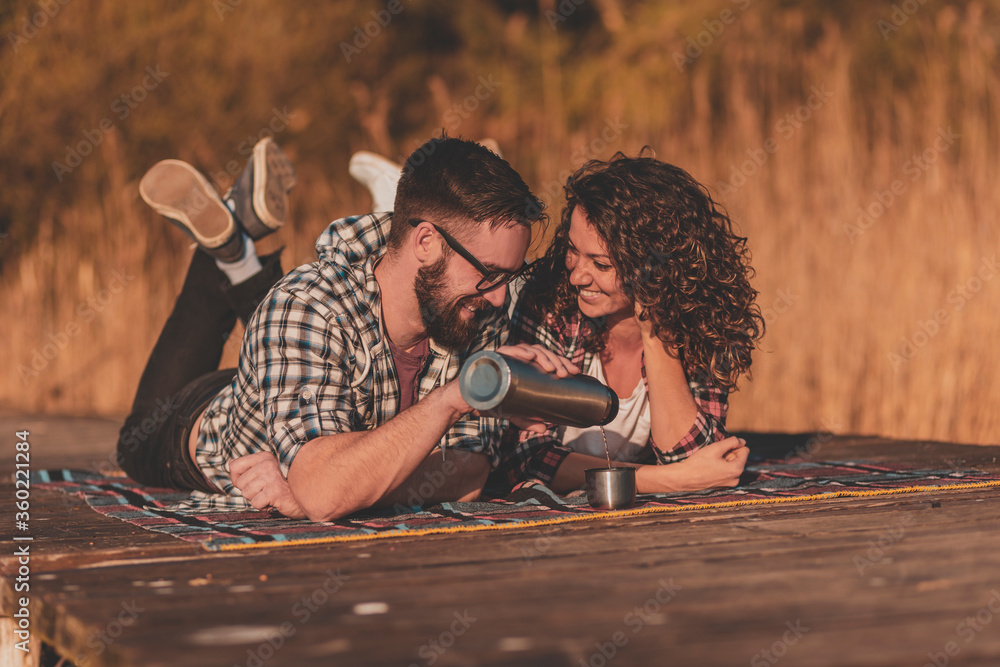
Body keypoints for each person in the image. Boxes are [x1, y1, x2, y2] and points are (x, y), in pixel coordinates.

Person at [117, 135, 569, 522]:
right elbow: (328, 493)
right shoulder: (306, 303)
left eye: (508, 276)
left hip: (295, 380)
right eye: (489, 273)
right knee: (133, 440)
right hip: (189, 428)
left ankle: (236, 250)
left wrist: (329, 485)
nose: (498, 297)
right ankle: (230, 256)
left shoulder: (473, 309)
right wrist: (453, 400)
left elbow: (468, 474)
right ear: (426, 242)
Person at [490, 151, 763, 495]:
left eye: (600, 265)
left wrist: (655, 330)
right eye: (573, 250)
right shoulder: (549, 303)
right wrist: (666, 481)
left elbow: (692, 454)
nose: (576, 276)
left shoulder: (704, 323)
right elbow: (524, 459)